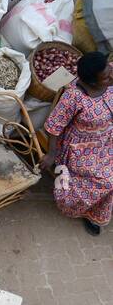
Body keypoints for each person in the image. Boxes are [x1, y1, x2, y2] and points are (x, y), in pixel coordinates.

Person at [42, 51, 113, 236]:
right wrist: (51, 155)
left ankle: (96, 213)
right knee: (106, 180)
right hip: (81, 149)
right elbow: (53, 127)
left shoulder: (107, 77)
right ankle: (81, 208)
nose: (110, 76)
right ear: (91, 82)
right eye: (106, 77)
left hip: (107, 140)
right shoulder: (74, 97)